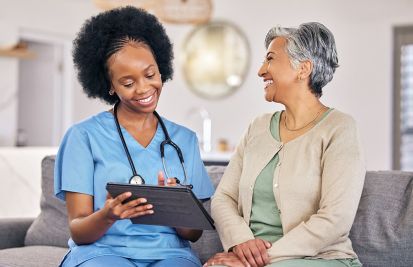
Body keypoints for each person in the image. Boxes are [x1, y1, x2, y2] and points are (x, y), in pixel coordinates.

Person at [54, 6, 214, 267]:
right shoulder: (82, 137)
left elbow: (193, 234)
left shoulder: (184, 140)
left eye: (150, 74)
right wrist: (108, 215)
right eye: (127, 83)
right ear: (109, 86)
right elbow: (79, 231)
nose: (143, 89)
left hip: (170, 255)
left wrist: (177, 205)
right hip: (101, 252)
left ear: (161, 68)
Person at [205, 22, 365, 267]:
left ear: (303, 68)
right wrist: (242, 244)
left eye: (270, 59)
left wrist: (258, 260)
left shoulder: (339, 128)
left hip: (319, 259)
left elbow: (336, 218)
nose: (261, 71)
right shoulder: (256, 128)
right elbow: (223, 197)